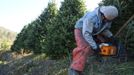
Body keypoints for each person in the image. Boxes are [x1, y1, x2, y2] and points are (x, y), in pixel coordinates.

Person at [68, 5, 118, 75]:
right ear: (103, 15)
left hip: (93, 31)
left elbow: (104, 29)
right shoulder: (91, 18)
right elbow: (86, 33)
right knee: (84, 48)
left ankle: (96, 59)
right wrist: (95, 46)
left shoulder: (107, 18)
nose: (108, 22)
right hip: (81, 30)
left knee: (102, 43)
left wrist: (111, 36)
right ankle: (74, 70)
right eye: (107, 20)